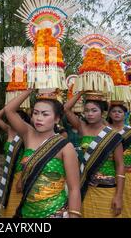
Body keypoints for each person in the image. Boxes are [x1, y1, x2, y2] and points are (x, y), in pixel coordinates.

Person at [5, 89, 81, 218]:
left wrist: (74, 215)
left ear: (57, 118)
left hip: (54, 212)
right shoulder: (28, 134)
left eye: (45, 114)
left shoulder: (65, 147)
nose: (39, 118)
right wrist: (30, 89)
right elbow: (9, 110)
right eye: (36, 113)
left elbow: (74, 188)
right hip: (27, 211)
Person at [65, 92, 124, 218]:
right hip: (85, 188)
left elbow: (120, 166)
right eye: (86, 111)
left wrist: (119, 196)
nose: (89, 114)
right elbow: (66, 108)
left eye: (94, 110)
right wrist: (81, 92)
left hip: (107, 189)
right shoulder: (82, 127)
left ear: (103, 113)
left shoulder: (113, 135)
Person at [107, 104, 131, 218]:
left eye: (120, 111)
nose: (117, 113)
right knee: (111, 206)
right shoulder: (104, 130)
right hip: (110, 173)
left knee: (130, 205)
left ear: (125, 115)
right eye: (114, 111)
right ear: (109, 114)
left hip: (129, 174)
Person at [0, 108, 30, 218]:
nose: (12, 120)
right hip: (8, 172)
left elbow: (28, 158)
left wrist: (21, 179)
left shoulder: (27, 134)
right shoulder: (9, 129)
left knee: (16, 206)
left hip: (20, 174)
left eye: (16, 118)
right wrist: (8, 105)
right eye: (11, 117)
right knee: (7, 203)